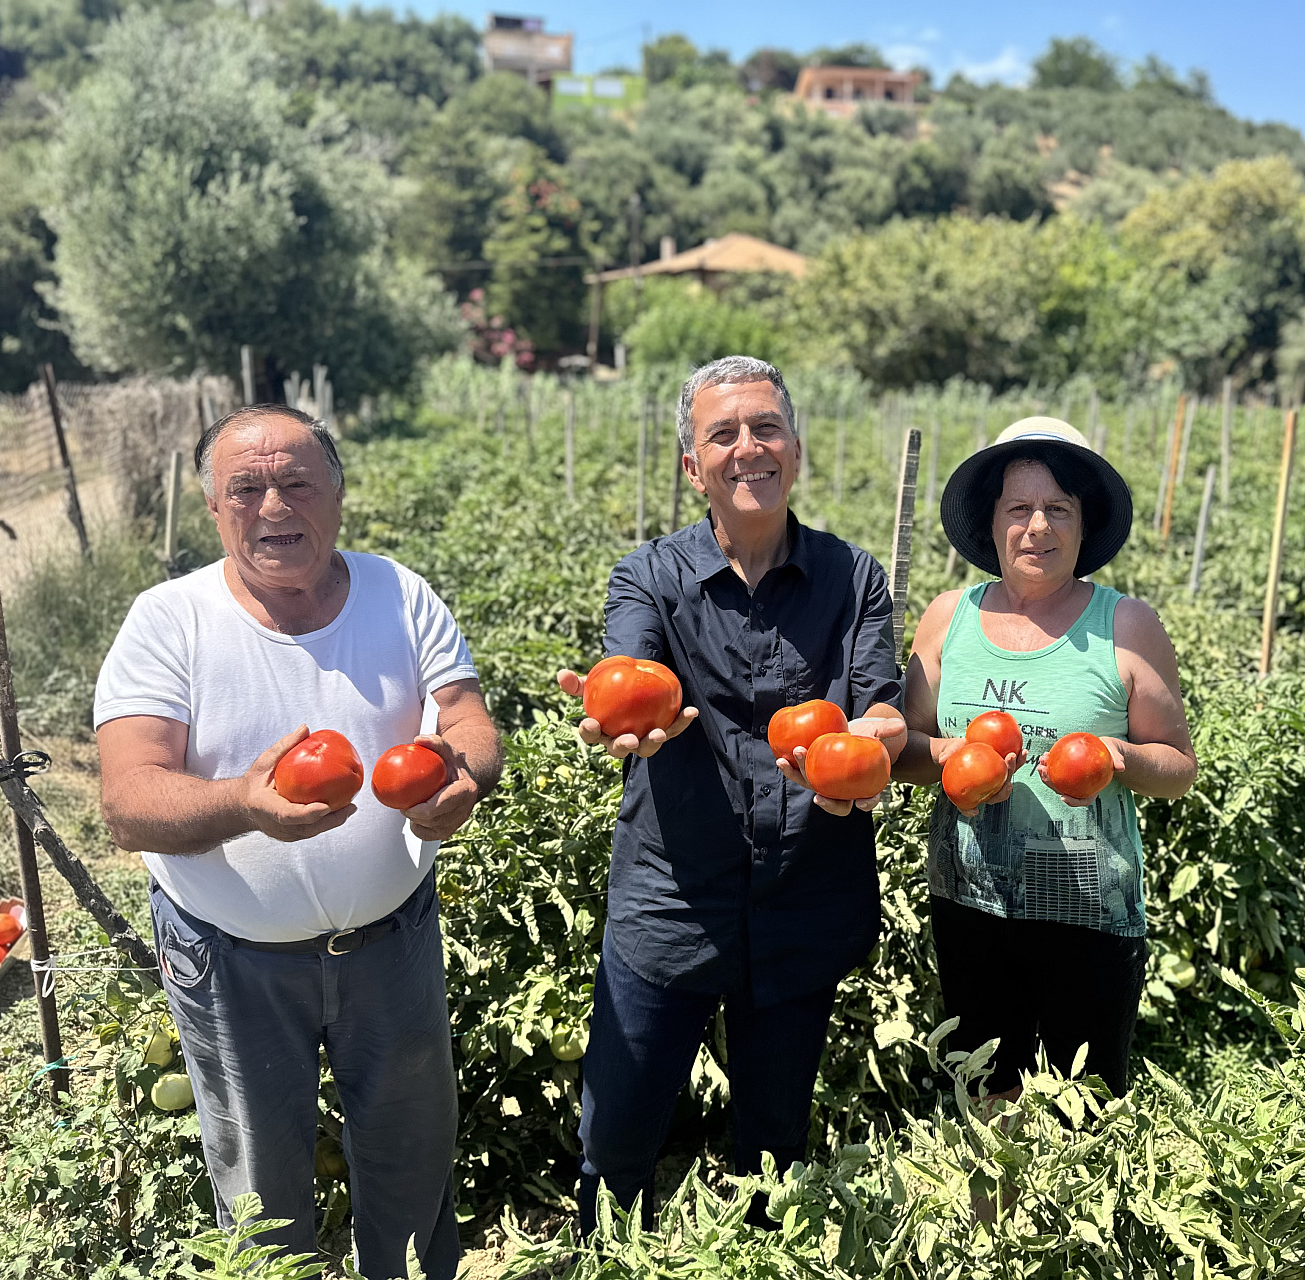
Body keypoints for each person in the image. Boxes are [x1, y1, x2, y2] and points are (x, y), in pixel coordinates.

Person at [94, 405, 501, 1279]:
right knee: (260, 1187)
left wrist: (461, 777)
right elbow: (128, 802)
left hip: (391, 941)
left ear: (337, 497)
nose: (273, 504)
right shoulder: (169, 620)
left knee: (411, 1160)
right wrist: (245, 801)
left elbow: (466, 721)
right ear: (213, 508)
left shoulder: (400, 592)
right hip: (231, 958)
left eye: (297, 482)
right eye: (245, 488)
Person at [555, 356, 905, 1233]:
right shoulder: (649, 576)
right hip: (672, 895)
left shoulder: (853, 578)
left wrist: (870, 748)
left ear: (796, 447)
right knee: (620, 1131)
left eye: (766, 428)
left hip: (803, 892)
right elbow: (628, 666)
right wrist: (627, 710)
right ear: (691, 466)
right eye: (722, 434)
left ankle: (761, 1253)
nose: (748, 448)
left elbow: (879, 705)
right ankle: (609, 1253)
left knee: (775, 1140)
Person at [895, 417, 1197, 1099]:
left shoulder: (1126, 625)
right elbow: (904, 749)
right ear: (992, 523)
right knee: (982, 1090)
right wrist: (959, 758)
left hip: (1088, 909)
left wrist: (1119, 757)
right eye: (1019, 508)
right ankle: (988, 1209)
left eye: (1058, 508)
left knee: (1085, 1103)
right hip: (971, 903)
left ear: (1082, 525)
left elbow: (1178, 767)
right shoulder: (947, 618)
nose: (1038, 526)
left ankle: (1075, 1208)